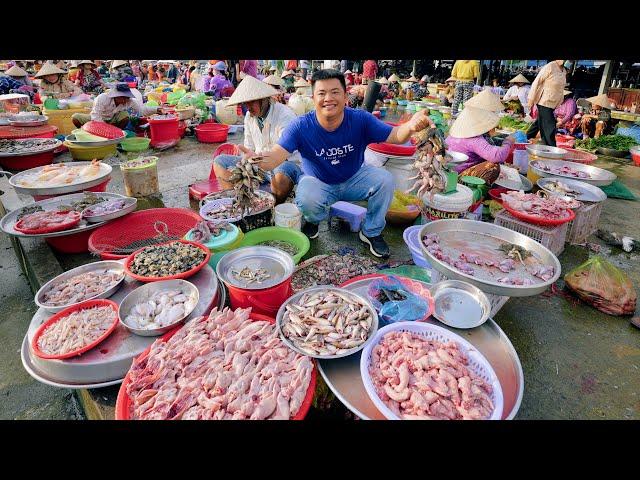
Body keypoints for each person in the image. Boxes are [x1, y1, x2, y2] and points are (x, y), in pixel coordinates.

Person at [236, 69, 435, 258]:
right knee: (306, 197)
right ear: (313, 98)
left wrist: (410, 126)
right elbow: (276, 156)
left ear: (345, 96)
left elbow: (394, 135)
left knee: (385, 180)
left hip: (354, 178)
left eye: (335, 92)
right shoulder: (300, 126)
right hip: (318, 181)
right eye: (321, 93)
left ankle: (371, 231)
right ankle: (313, 220)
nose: (328, 98)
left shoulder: (360, 120)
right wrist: (257, 159)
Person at [213, 76, 303, 205]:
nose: (248, 107)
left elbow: (286, 151)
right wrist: (247, 160)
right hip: (258, 166)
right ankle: (237, 203)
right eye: (245, 103)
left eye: (252, 102)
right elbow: (248, 147)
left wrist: (262, 158)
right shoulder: (250, 116)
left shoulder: (285, 115)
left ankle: (271, 208)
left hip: (284, 164)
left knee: (281, 173)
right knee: (220, 161)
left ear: (265, 99)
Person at [445, 106, 516, 174]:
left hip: (451, 169)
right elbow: (497, 156)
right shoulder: (474, 139)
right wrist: (508, 142)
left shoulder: (454, 134)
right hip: (462, 173)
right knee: (494, 166)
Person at [71, 82, 161, 129]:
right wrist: (105, 128)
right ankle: (86, 131)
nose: (124, 100)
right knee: (75, 117)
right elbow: (95, 116)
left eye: (126, 97)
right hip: (97, 121)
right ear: (115, 96)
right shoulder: (102, 98)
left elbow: (142, 110)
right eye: (122, 97)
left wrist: (157, 109)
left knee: (125, 115)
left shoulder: (129, 101)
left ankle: (117, 133)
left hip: (112, 120)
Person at [526, 60, 567, 146]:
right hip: (544, 101)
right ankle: (550, 148)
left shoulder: (564, 71)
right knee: (550, 126)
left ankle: (524, 138)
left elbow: (560, 88)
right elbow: (536, 82)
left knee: (539, 123)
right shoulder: (550, 66)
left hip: (553, 103)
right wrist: (531, 99)